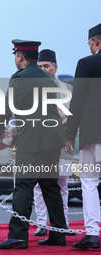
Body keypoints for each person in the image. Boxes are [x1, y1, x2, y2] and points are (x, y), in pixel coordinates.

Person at [0, 40, 67, 249]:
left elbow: (7, 109)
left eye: (15, 56)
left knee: (23, 186)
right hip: (53, 140)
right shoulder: (46, 77)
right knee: (50, 187)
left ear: (20, 57)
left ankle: (17, 235)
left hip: (33, 141)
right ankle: (59, 234)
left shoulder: (20, 78)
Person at [65, 23, 101, 249]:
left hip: (93, 133)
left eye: (90, 43)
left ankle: (92, 234)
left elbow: (76, 102)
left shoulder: (87, 63)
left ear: (96, 41)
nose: (89, 47)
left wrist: (69, 135)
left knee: (88, 182)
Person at [34, 49, 75, 236]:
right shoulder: (33, 90)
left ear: (55, 67)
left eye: (46, 66)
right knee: (39, 186)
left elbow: (74, 117)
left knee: (62, 185)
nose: (43, 69)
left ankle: (62, 223)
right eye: (40, 66)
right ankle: (42, 224)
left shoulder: (69, 90)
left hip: (63, 142)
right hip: (40, 144)